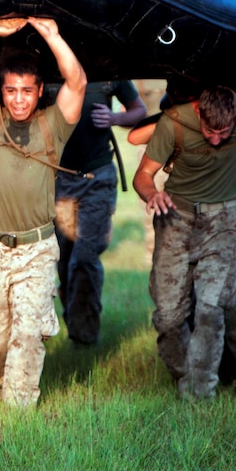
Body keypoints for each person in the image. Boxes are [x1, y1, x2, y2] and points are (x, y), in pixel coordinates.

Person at [132, 7, 236, 400]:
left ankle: (199, 393)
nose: (217, 139)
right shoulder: (175, 122)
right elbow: (142, 174)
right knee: (168, 317)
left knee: (210, 309)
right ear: (200, 111)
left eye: (224, 133)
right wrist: (152, 194)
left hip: (226, 221)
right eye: (210, 130)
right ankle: (186, 374)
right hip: (178, 219)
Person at [0, 16, 87, 408]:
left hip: (37, 250)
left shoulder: (54, 126)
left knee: (27, 333)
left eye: (27, 90)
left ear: (40, 91)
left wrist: (53, 36)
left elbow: (77, 82)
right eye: (12, 91)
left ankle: (19, 409)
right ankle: (1, 379)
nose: (20, 99)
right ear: (2, 92)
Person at [54, 79, 146, 346]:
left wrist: (115, 117)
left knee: (84, 256)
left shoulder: (108, 69)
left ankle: (84, 337)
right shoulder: (51, 66)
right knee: (65, 259)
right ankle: (74, 321)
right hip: (60, 179)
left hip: (97, 178)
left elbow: (138, 110)